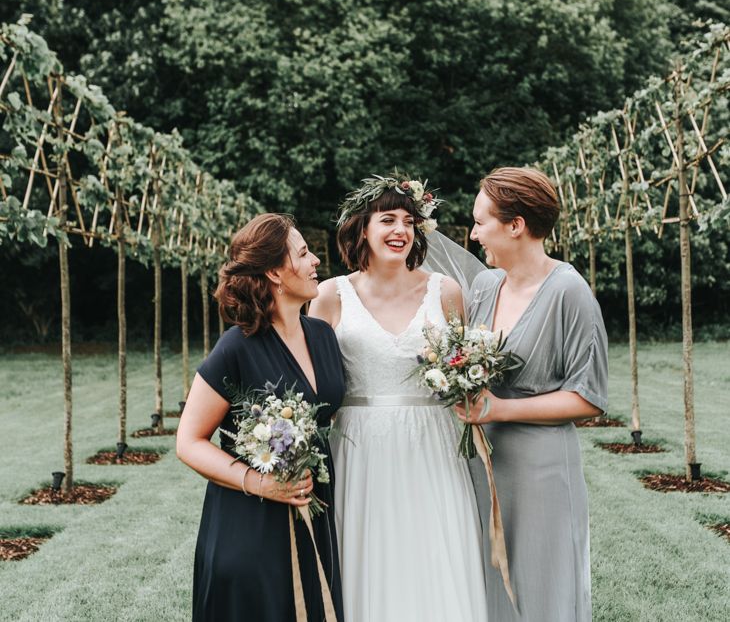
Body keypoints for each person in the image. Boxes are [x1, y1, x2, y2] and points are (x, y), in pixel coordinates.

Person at [309, 174, 489, 621]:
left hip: (432, 443)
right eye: (387, 219)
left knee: (435, 549)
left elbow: (463, 366)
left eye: (409, 221)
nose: (400, 231)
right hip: (359, 447)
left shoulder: (445, 291)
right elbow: (313, 382)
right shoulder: (330, 296)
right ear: (362, 228)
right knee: (371, 552)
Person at [176, 213, 345, 622]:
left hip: (314, 513)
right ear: (274, 272)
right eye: (303, 254)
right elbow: (188, 441)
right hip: (249, 528)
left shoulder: (322, 335)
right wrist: (260, 483)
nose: (315, 261)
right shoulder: (237, 346)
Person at [457, 167, 608, 622]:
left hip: (541, 469)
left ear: (515, 225)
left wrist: (502, 408)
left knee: (543, 589)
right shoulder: (484, 287)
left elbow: (589, 397)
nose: (474, 233)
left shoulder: (569, 291)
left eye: (481, 222)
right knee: (489, 589)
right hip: (484, 464)